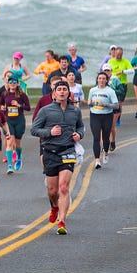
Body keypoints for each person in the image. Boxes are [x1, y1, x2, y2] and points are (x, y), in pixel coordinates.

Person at [30, 84, 84, 235]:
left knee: (64, 187)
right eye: (59, 90)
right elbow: (34, 130)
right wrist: (49, 132)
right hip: (50, 152)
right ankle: (54, 205)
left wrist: (79, 135)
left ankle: (62, 221)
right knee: (52, 190)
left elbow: (81, 127)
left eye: (64, 90)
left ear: (69, 93)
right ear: (53, 94)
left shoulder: (75, 111)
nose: (62, 92)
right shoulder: (45, 111)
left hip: (67, 151)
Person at [0, 76, 30, 173]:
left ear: (17, 83)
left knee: (17, 144)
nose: (12, 83)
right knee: (10, 142)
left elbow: (28, 107)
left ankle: (19, 157)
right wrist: (2, 107)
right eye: (10, 81)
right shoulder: (5, 94)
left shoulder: (22, 95)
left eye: (14, 81)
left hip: (19, 120)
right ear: (8, 83)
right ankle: (10, 166)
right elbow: (0, 106)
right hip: (8, 121)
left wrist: (19, 105)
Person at [87, 72, 119, 168]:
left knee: (105, 137)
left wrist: (105, 105)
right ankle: (97, 160)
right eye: (100, 78)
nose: (101, 80)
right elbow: (89, 102)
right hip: (95, 115)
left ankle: (105, 152)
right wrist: (90, 103)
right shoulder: (92, 90)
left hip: (107, 116)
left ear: (106, 80)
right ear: (97, 79)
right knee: (96, 138)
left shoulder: (110, 91)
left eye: (103, 78)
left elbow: (116, 105)